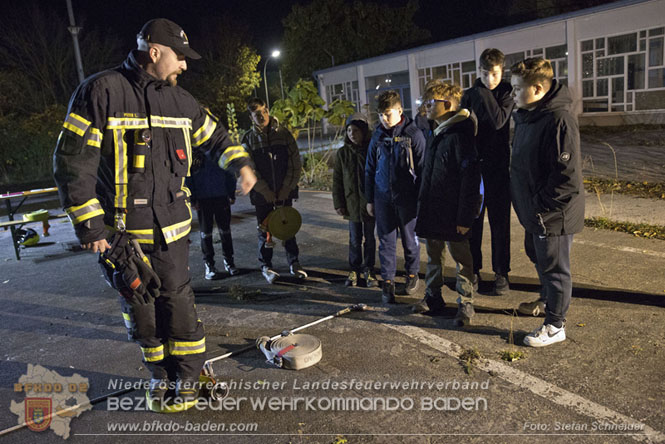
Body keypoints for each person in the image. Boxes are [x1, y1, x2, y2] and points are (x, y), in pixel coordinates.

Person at [53, 18, 257, 404]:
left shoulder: (182, 101)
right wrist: (90, 227)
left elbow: (217, 138)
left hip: (173, 233)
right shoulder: (101, 92)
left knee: (179, 306)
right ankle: (160, 377)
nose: (184, 65)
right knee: (142, 314)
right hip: (121, 238)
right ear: (155, 51)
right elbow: (72, 161)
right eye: (180, 57)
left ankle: (188, 381)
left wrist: (241, 165)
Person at [509, 57, 584, 347]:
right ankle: (547, 299)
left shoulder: (559, 119)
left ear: (538, 88)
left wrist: (540, 205)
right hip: (533, 210)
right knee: (535, 254)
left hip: (552, 213)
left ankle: (555, 325)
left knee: (555, 267)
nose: (513, 94)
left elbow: (567, 177)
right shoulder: (529, 115)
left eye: (517, 89)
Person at [412, 81, 481, 326]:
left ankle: (466, 302)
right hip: (433, 208)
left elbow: (470, 180)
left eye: (431, 104)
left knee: (461, 258)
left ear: (448, 104)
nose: (426, 108)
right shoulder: (437, 130)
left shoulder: (461, 134)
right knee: (433, 256)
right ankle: (433, 297)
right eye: (425, 103)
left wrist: (465, 218)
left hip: (453, 211)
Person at [461, 48, 514, 295]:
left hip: (499, 169)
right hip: (475, 167)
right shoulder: (469, 95)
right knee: (474, 223)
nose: (489, 79)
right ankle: (473, 270)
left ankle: (501, 272)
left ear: (501, 71)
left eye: (493, 74)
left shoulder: (506, 92)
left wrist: (482, 91)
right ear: (478, 70)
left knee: (500, 224)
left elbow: (498, 121)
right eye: (484, 73)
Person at [365, 90, 425, 304]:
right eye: (381, 114)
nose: (384, 118)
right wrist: (370, 199)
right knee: (386, 242)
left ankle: (412, 274)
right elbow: (370, 169)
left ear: (400, 110)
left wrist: (420, 199)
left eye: (388, 114)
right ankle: (388, 281)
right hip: (382, 197)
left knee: (410, 240)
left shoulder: (413, 135)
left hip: (407, 198)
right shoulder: (378, 135)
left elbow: (423, 168)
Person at [242, 97, 306, 284]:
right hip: (262, 195)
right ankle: (266, 266)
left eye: (263, 112)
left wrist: (287, 187)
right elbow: (249, 167)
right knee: (264, 230)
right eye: (256, 114)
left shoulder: (284, 134)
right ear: (251, 117)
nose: (261, 116)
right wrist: (264, 190)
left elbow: (295, 162)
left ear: (267, 110)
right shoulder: (248, 138)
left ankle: (294, 263)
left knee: (288, 227)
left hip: (284, 191)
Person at [332, 113, 378, 288]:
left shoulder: (370, 150)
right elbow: (337, 180)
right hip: (351, 205)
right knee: (354, 239)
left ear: (364, 132)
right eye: (349, 130)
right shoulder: (343, 153)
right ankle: (354, 269)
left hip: (369, 205)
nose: (352, 134)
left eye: (356, 130)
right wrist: (338, 203)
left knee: (370, 239)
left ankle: (369, 269)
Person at [186, 150, 239, 280]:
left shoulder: (219, 150)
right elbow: (189, 176)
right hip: (203, 199)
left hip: (221, 196)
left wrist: (231, 193)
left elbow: (230, 172)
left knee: (225, 231)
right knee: (206, 233)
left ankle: (229, 261)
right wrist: (193, 198)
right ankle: (209, 264)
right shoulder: (194, 151)